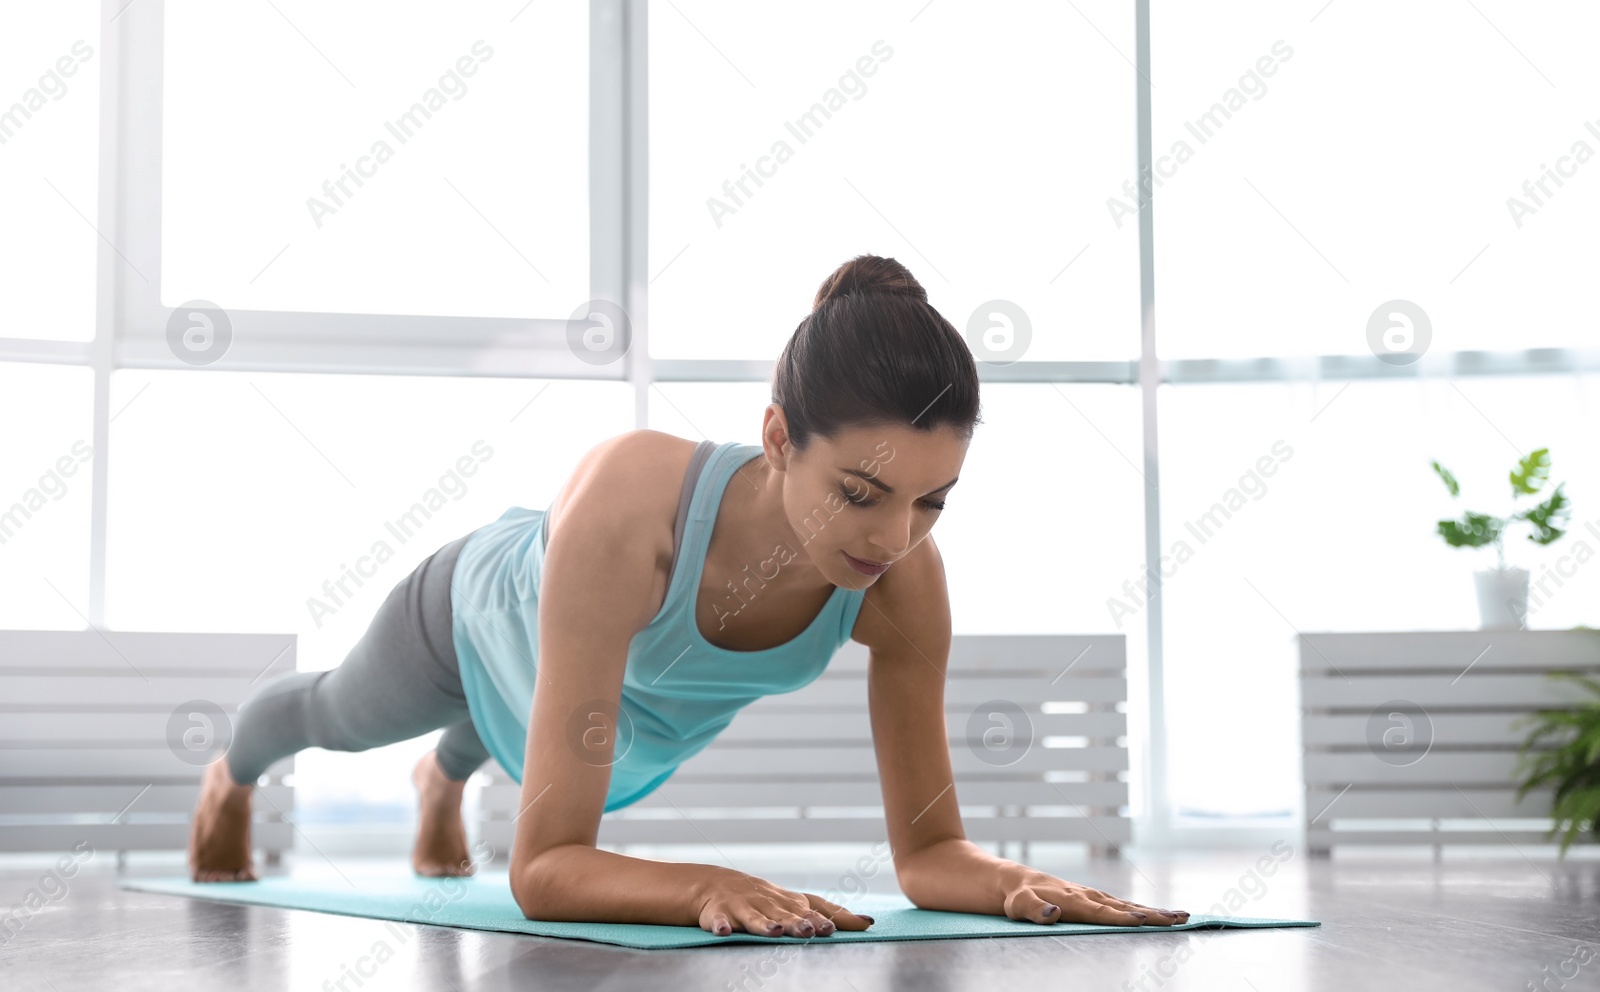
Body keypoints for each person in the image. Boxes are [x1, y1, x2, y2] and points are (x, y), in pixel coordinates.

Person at [188, 253, 1190, 937]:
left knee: (528, 727)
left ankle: (443, 778)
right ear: (778, 438)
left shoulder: (902, 585)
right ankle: (230, 776)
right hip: (471, 625)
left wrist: (1009, 879)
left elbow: (927, 850)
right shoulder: (635, 505)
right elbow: (544, 869)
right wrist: (702, 884)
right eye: (860, 493)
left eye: (932, 500)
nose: (894, 538)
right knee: (338, 715)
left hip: (594, 709)